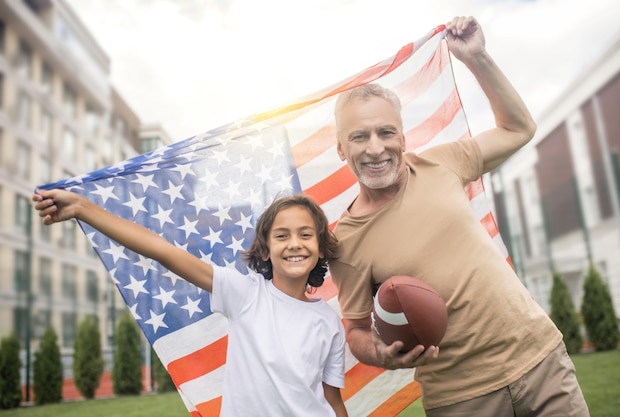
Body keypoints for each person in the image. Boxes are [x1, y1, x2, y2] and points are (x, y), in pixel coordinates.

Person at [329, 16, 589, 417]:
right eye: (359, 137)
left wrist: (477, 58)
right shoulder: (345, 240)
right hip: (459, 396)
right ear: (341, 149)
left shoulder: (441, 162)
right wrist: (380, 352)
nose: (375, 148)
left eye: (386, 132)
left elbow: (519, 129)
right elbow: (356, 329)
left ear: (402, 135)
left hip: (540, 359)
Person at [32, 190, 348, 417]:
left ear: (320, 248)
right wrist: (83, 208)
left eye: (305, 235)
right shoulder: (245, 294)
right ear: (265, 250)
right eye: (282, 236)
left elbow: (331, 400)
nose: (294, 243)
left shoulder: (328, 321)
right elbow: (163, 251)